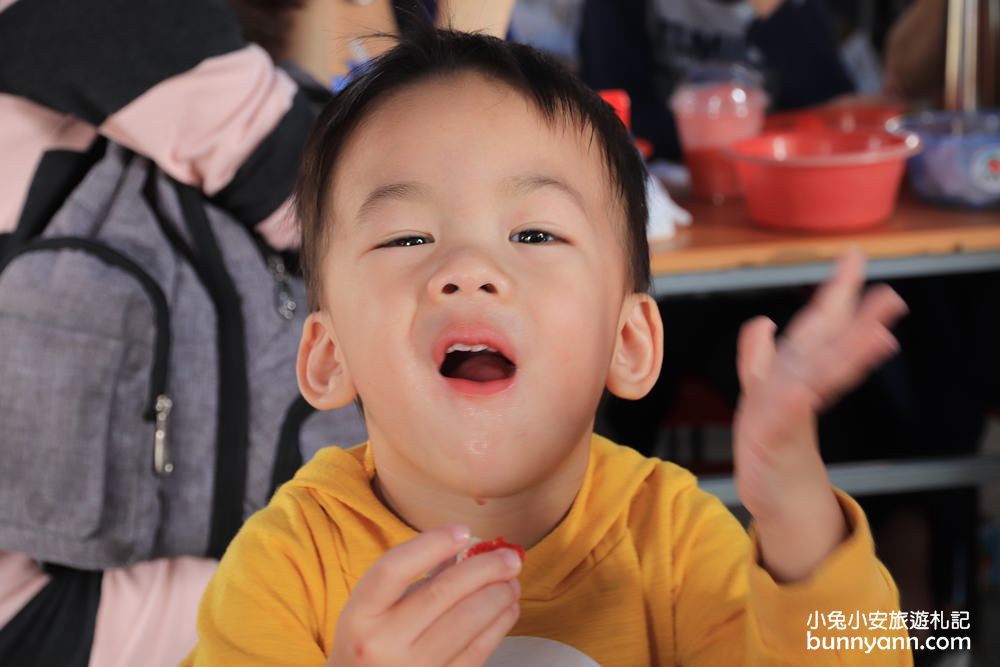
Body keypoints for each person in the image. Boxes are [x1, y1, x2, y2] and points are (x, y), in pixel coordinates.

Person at [183, 27, 913, 666]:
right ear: (326, 353)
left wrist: (793, 511)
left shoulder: (673, 541)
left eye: (534, 234)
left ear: (628, 341)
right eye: (407, 236)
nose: (468, 270)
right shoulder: (286, 564)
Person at [578, 0, 856, 160]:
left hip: (773, 172)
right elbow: (609, 110)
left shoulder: (794, 9)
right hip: (667, 179)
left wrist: (776, 12)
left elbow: (833, 110)